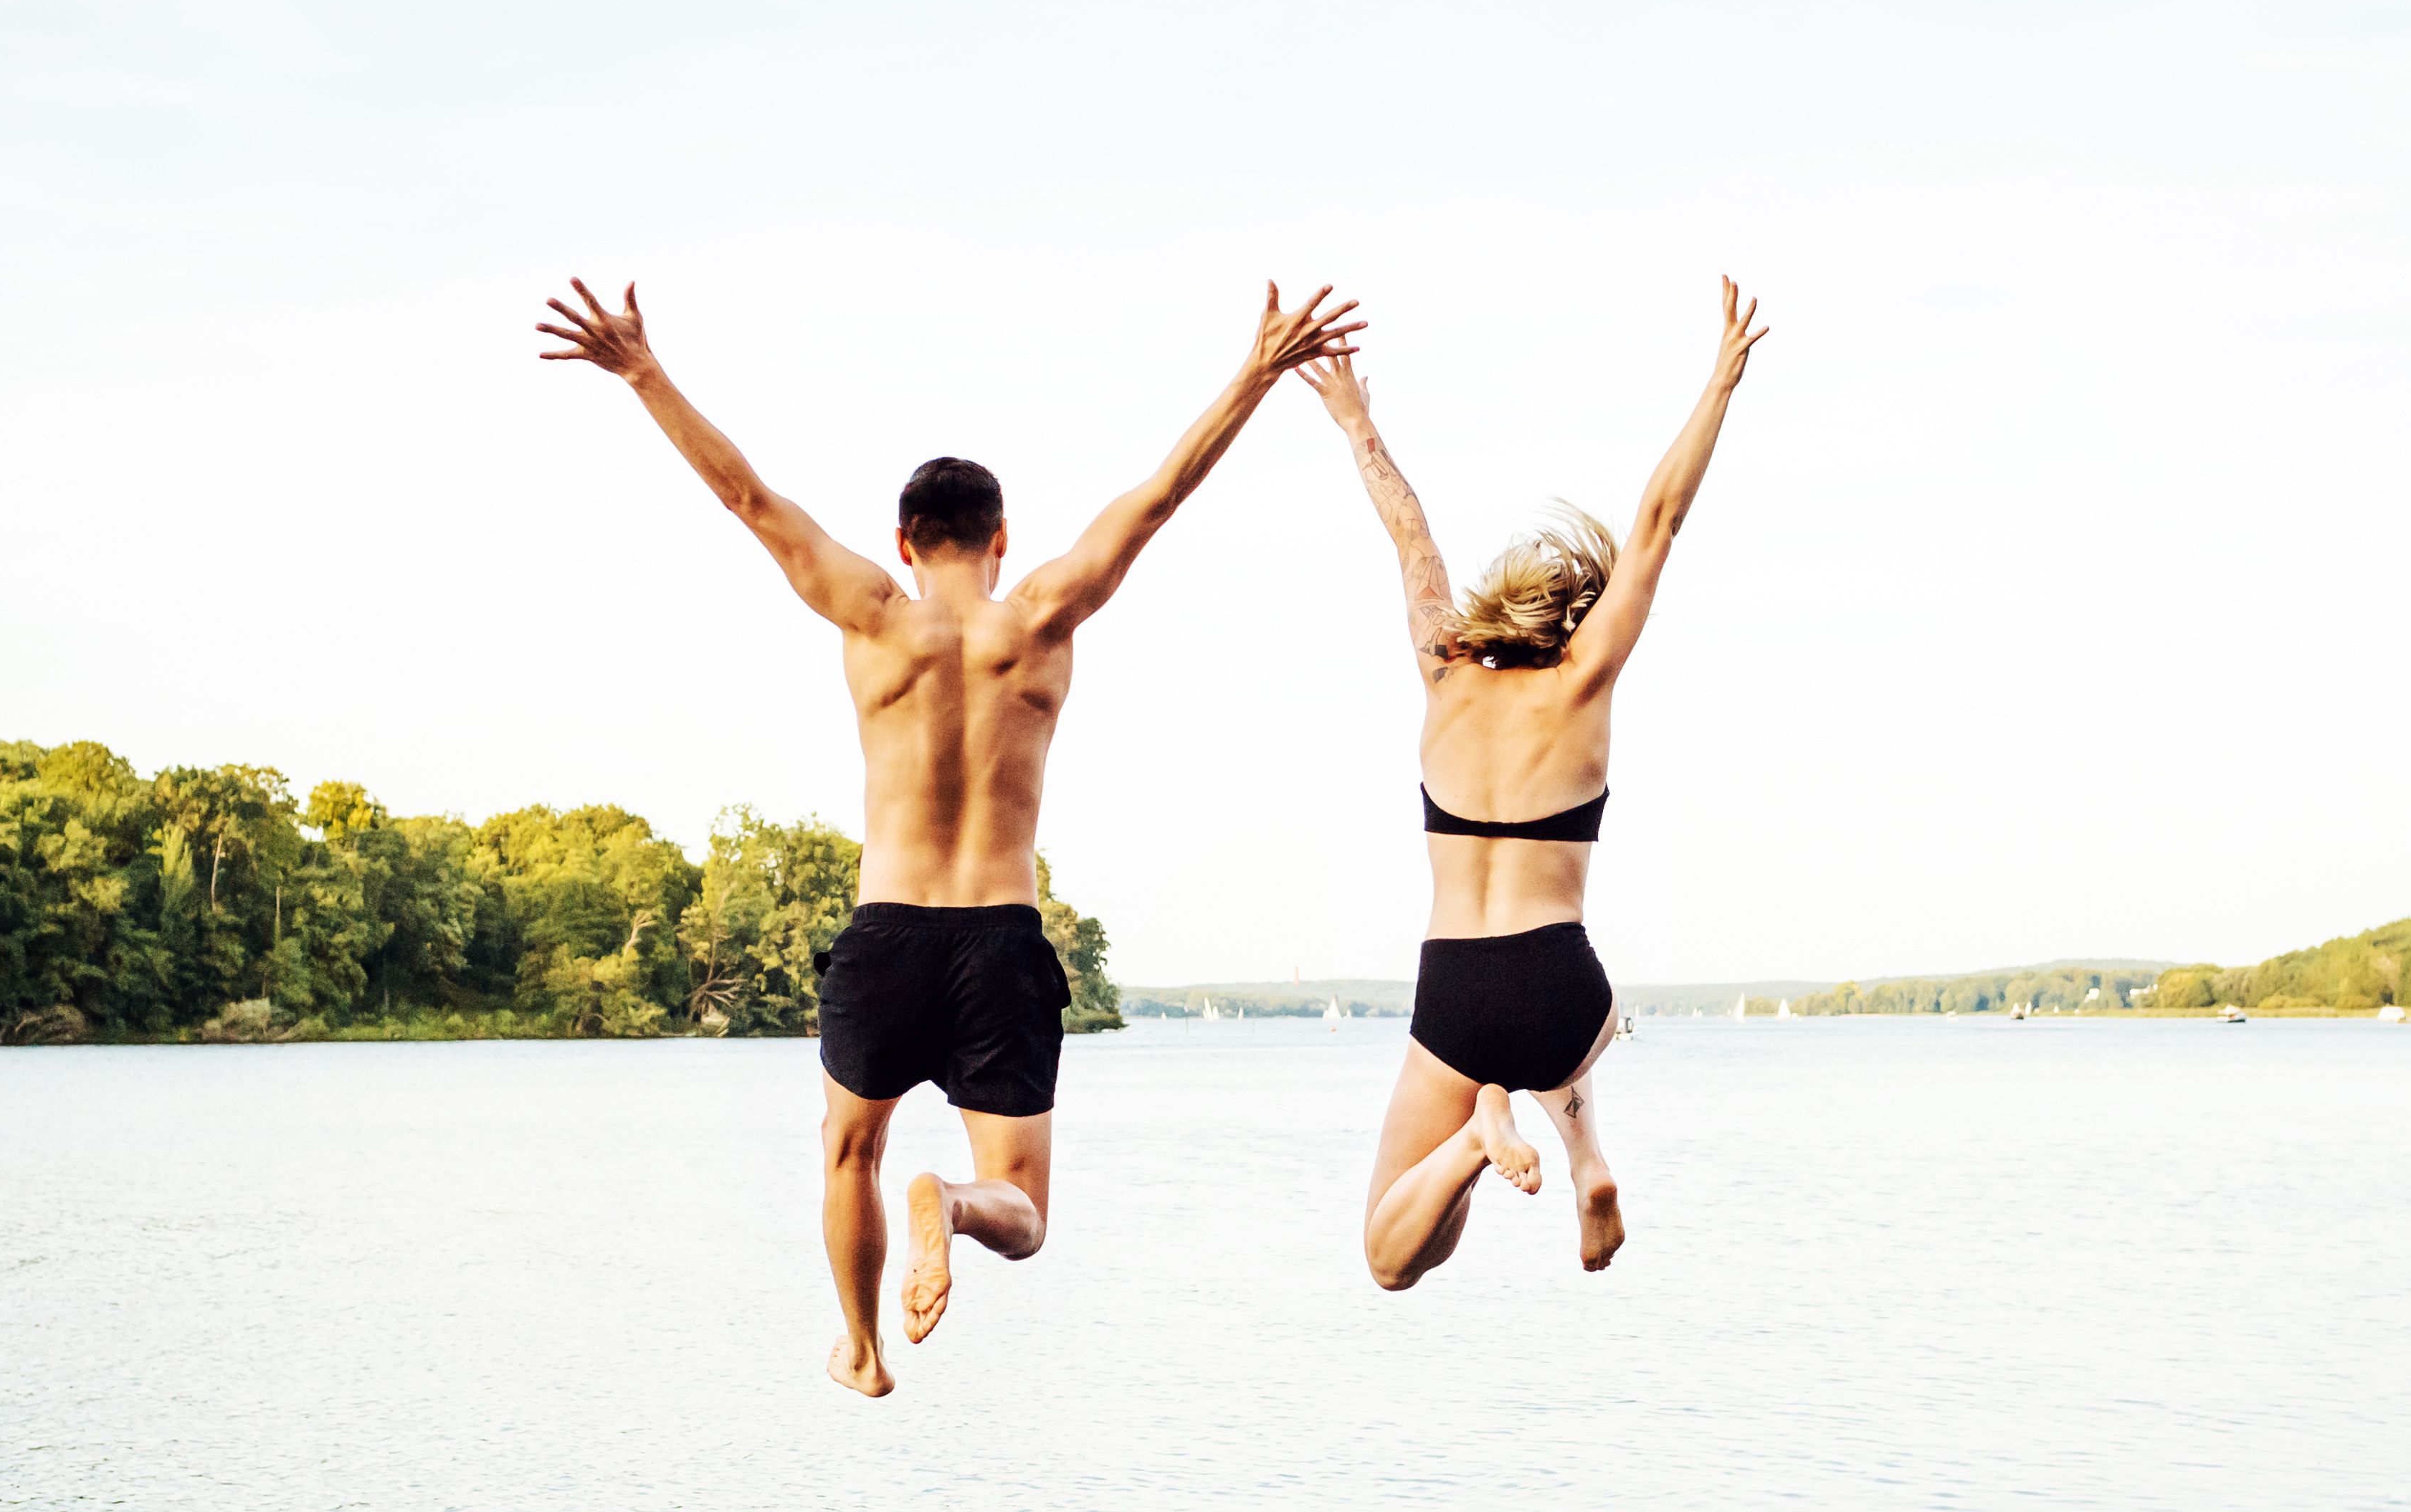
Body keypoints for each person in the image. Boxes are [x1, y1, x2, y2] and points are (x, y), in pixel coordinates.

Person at [540, 275, 1362, 1394]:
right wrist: (1257, 373)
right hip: (999, 939)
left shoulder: (871, 609)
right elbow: (1159, 496)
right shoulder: (1042, 613)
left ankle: (866, 1348)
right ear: (1001, 538)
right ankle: (956, 1206)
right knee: (1022, 1213)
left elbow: (746, 496)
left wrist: (642, 371)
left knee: (849, 1150)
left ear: (904, 539)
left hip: (886, 935)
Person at [1298, 278, 1767, 1290]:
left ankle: (1477, 1138)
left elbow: (1409, 532)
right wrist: (1720, 380)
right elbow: (1657, 521)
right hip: (1564, 983)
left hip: (1456, 987)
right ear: (1572, 623)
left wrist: (1353, 421)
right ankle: (1585, 1154)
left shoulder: (1441, 671)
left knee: (1394, 1255)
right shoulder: (1583, 682)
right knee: (1583, 1031)